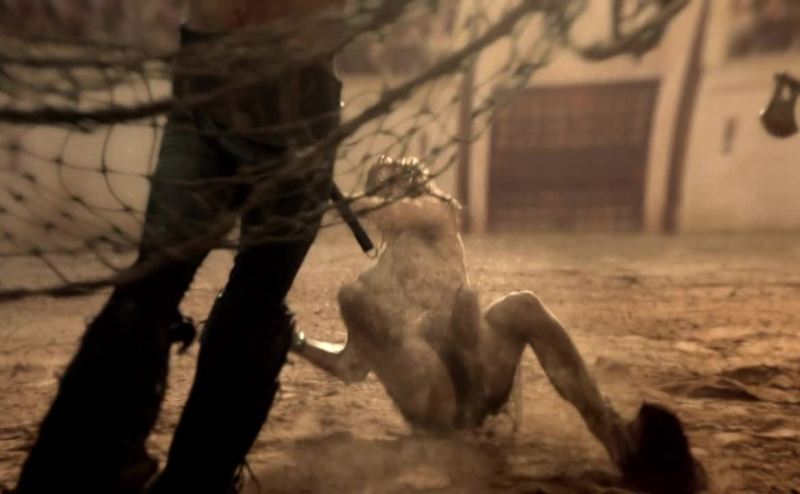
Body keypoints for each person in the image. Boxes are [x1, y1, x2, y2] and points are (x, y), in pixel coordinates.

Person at [15, 1, 345, 493]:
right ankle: (75, 473)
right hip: (211, 107)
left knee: (253, 307)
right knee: (151, 288)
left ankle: (197, 479)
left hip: (300, 124)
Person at [292, 156, 708, 494]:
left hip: (481, 377)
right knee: (356, 298)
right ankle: (448, 421)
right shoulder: (373, 282)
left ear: (417, 189)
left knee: (519, 306)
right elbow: (350, 366)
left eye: (398, 185)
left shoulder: (436, 220)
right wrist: (296, 341)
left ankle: (611, 433)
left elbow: (402, 210)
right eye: (382, 187)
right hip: (433, 399)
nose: (390, 195)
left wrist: (339, 198)